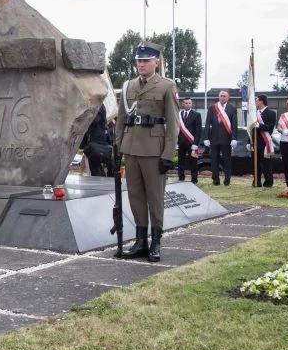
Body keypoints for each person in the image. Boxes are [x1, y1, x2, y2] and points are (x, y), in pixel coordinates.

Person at [115, 42, 179, 262]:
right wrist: (117, 147)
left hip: (154, 151)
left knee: (155, 197)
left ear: (156, 62)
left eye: (145, 60)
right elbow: (121, 119)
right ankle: (140, 240)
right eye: (139, 60)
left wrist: (168, 154)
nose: (141, 64)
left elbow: (173, 123)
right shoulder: (128, 86)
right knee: (135, 196)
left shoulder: (166, 86)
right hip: (131, 148)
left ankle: (156, 241)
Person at [203, 90, 237, 185]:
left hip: (226, 139)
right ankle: (215, 180)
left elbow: (234, 124)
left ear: (228, 97)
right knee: (214, 161)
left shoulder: (232, 108)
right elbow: (207, 124)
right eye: (221, 96)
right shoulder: (212, 108)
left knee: (227, 161)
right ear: (219, 97)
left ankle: (227, 180)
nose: (222, 97)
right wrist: (206, 137)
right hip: (214, 139)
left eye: (224, 96)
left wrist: (234, 138)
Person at [80, 104, 115, 177]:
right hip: (97, 140)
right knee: (95, 163)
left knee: (95, 164)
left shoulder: (97, 105)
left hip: (97, 141)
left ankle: (101, 178)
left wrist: (84, 116)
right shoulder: (98, 104)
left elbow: (95, 120)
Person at [252, 94, 277, 187]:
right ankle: (256, 181)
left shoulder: (271, 113)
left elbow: (270, 128)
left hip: (265, 142)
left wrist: (259, 126)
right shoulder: (254, 113)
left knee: (266, 164)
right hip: (254, 142)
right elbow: (250, 129)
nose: (255, 102)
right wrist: (248, 141)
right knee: (255, 164)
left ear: (262, 101)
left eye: (257, 100)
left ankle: (268, 182)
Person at [176, 97, 202, 182]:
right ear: (183, 104)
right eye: (186, 103)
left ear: (192, 104)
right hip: (181, 142)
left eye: (189, 103)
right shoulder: (178, 114)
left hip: (192, 143)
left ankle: (194, 179)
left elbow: (199, 130)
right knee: (180, 161)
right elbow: (176, 129)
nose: (188, 104)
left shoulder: (197, 114)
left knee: (194, 161)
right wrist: (176, 142)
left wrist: (196, 143)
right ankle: (181, 178)